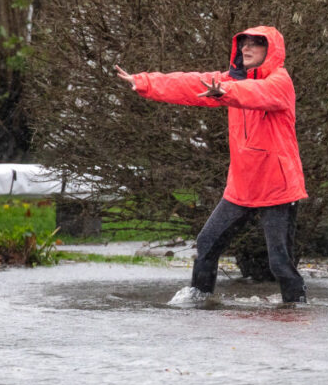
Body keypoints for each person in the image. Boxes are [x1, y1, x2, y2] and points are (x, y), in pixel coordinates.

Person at [115, 26, 308, 303]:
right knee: (207, 242)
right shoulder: (228, 80)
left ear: (271, 50)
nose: (246, 49)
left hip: (277, 188)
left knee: (279, 262)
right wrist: (144, 82)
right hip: (241, 187)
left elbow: (256, 93)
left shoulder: (280, 82)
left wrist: (225, 91)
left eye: (255, 44)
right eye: (243, 44)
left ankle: (296, 308)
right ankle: (199, 299)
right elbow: (188, 84)